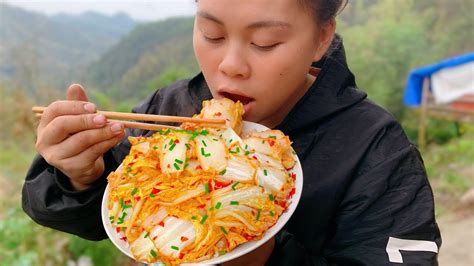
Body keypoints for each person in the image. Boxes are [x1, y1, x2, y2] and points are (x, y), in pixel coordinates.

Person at [22, 0, 442, 265]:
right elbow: (95, 217)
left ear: (321, 39)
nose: (230, 65)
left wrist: (259, 255)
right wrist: (78, 174)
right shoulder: (171, 112)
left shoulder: (378, 152)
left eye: (264, 42)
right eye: (212, 34)